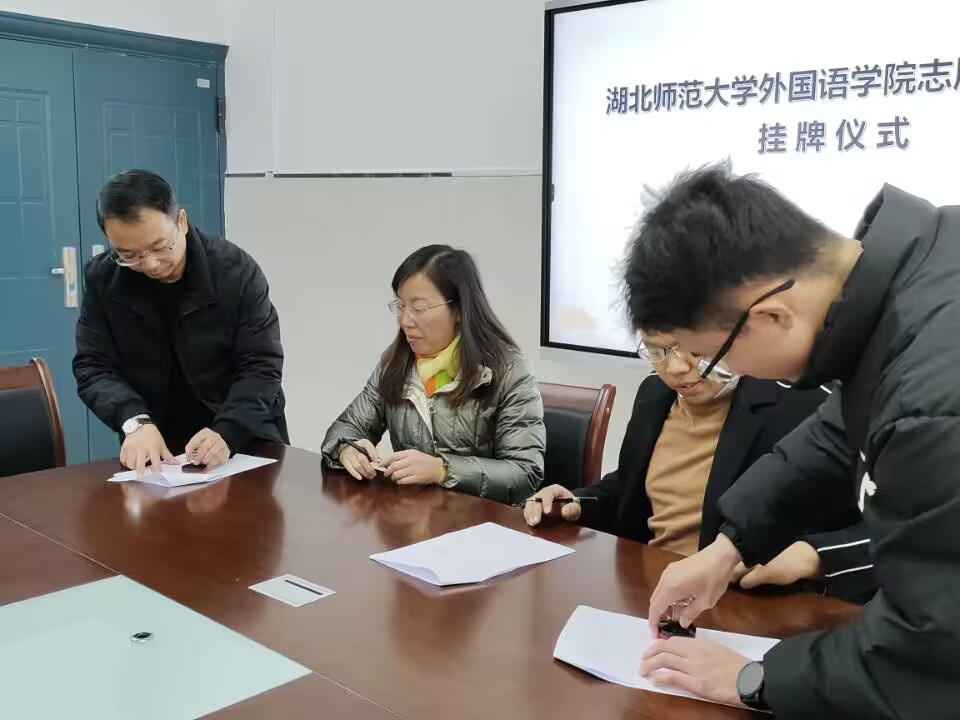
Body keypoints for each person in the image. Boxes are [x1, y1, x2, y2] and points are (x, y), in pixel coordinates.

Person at [624, 165, 960, 718]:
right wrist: (729, 548)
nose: (720, 370)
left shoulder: (931, 399)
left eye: (711, 355)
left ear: (771, 315)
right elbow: (839, 429)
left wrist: (755, 677)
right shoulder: (916, 271)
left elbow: (929, 654)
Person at [524, 333, 872, 601]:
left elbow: (885, 531)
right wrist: (578, 503)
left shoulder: (806, 407)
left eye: (692, 349)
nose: (675, 368)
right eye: (657, 350)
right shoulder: (653, 395)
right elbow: (630, 488)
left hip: (746, 606)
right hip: (651, 591)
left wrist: (811, 557)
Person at [74, 170, 287, 476]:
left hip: (244, 437)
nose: (149, 264)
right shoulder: (103, 280)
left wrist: (229, 431)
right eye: (128, 255)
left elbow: (262, 365)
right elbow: (93, 366)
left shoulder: (234, 271)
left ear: (182, 222)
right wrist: (134, 420)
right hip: (158, 445)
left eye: (160, 247)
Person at [321, 245, 545, 505]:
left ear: (459, 309)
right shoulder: (395, 363)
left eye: (418, 308)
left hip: (485, 521)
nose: (405, 321)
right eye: (400, 306)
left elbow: (524, 473)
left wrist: (442, 469)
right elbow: (347, 428)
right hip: (414, 517)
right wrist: (348, 449)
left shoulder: (507, 371)